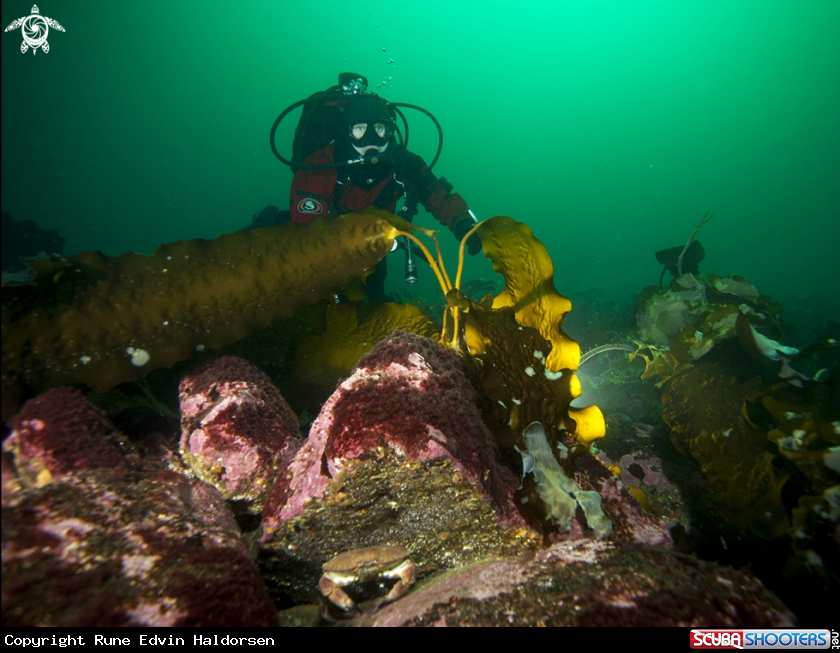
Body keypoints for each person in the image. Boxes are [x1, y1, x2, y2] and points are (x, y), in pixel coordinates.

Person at [289, 94, 481, 302]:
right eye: (360, 129)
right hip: (330, 249)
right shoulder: (320, 166)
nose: (370, 139)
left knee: (375, 295)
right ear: (346, 132)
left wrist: (464, 224)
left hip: (374, 251)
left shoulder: (405, 163)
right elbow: (306, 229)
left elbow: (440, 198)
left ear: (390, 132)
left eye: (379, 129)